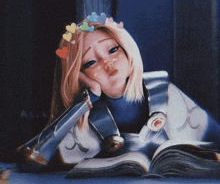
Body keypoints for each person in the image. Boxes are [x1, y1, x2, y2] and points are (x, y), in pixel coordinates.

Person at [29, 13, 220, 166]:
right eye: (90, 62)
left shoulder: (163, 91)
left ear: (128, 50)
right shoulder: (85, 114)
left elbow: (215, 139)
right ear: (79, 76)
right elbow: (33, 161)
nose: (107, 62)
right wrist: (83, 102)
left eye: (113, 50)